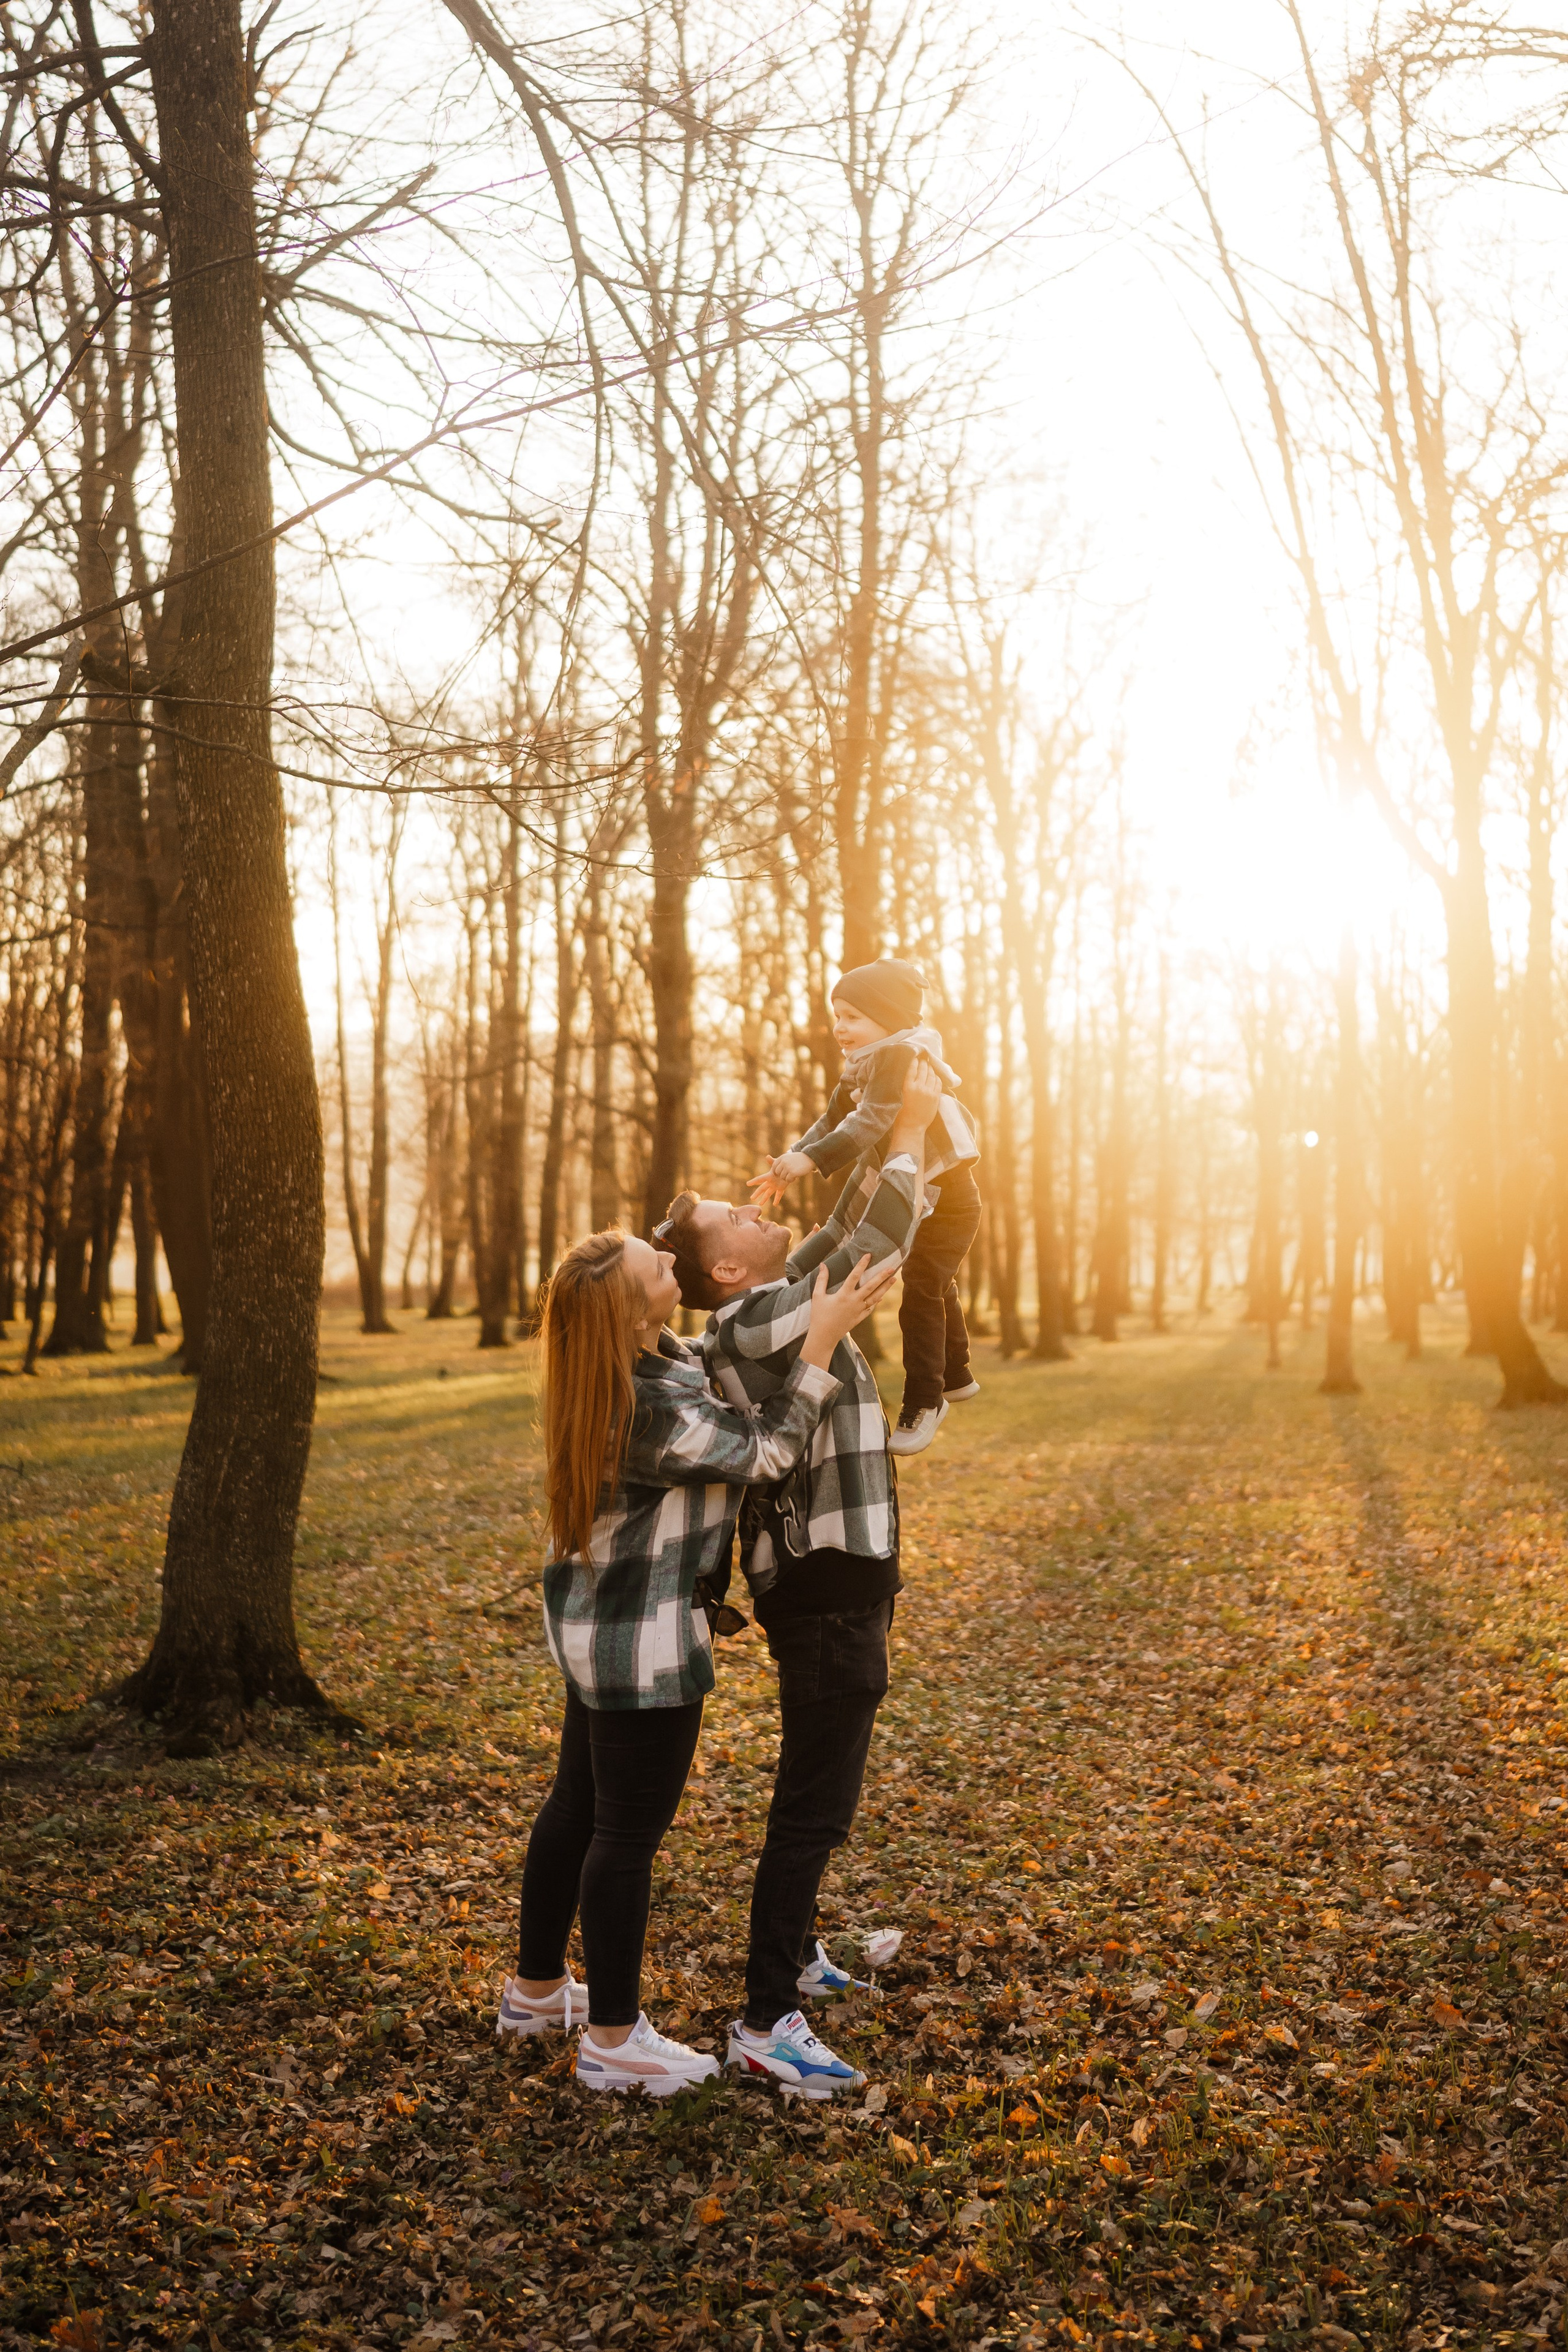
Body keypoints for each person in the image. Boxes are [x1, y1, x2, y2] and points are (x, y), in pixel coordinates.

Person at [496, 1224, 894, 2097]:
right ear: (630, 1310)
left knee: (578, 1805)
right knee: (625, 1836)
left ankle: (535, 1993)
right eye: (657, 1267)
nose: (673, 1262)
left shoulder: (649, 1365)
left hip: (596, 1624)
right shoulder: (642, 1405)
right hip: (639, 1642)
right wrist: (820, 1342)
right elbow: (764, 1454)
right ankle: (613, 2041)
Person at [660, 1054, 943, 2098]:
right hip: (820, 1588)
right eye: (735, 1216)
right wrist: (907, 1133)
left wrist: (875, 1141)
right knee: (814, 1806)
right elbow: (870, 1243)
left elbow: (837, 1230)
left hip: (845, 1573)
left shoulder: (771, 1295)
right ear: (726, 1274)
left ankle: (798, 1960)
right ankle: (765, 2016)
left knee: (820, 1794)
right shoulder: (753, 1325)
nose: (754, 1207)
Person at [750, 958, 981, 1455]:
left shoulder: (900, 1057)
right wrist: (789, 1161)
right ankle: (958, 1373)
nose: (840, 1028)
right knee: (934, 1279)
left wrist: (810, 1161)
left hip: (951, 1197)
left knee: (923, 1288)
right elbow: (831, 1119)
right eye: (837, 1016)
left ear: (889, 1017)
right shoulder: (868, 1060)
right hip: (922, 1188)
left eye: (852, 1016)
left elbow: (868, 1124)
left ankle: (926, 1398)